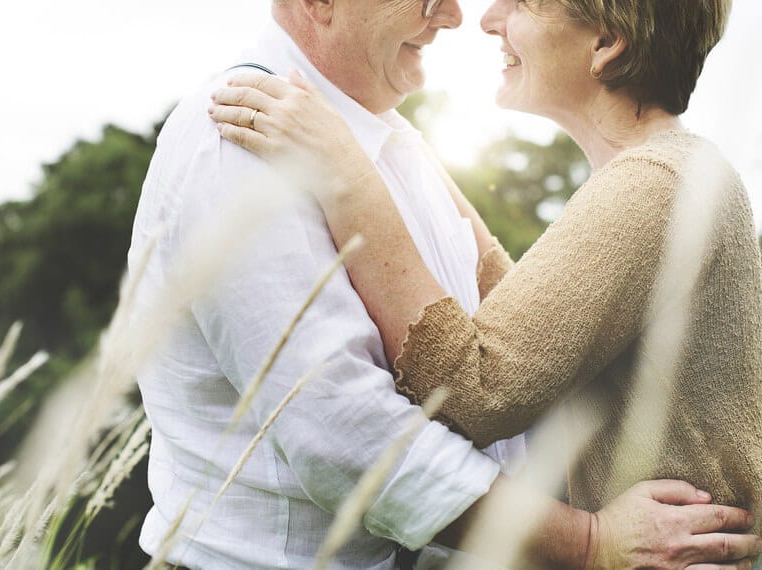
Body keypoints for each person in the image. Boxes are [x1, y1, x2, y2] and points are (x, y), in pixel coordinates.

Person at [130, 0, 761, 567]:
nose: (468, 16)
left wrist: (356, 175)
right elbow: (344, 434)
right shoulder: (244, 136)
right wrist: (585, 541)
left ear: (605, 46)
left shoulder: (652, 184)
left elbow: (480, 380)